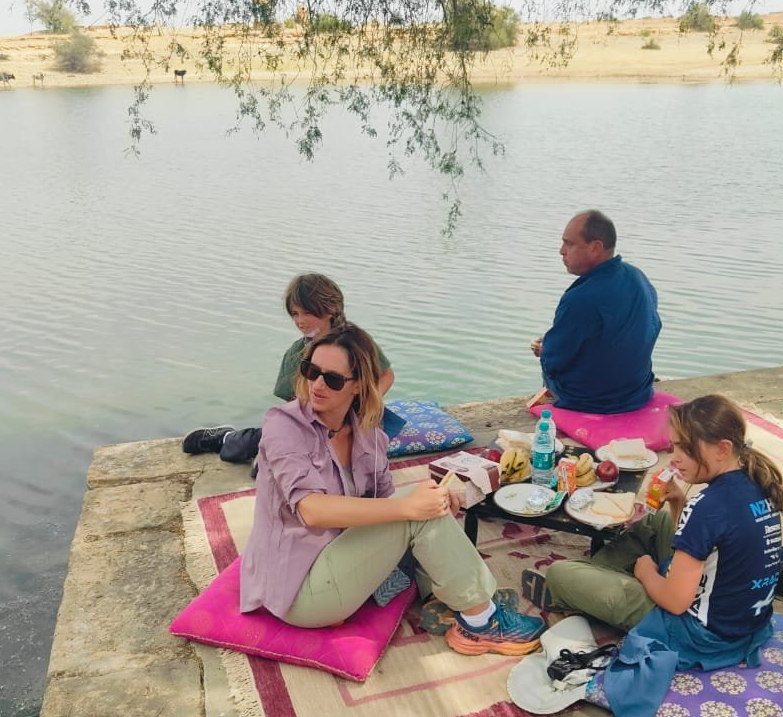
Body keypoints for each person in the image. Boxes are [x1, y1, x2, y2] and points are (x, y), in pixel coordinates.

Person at [240, 322, 546, 656]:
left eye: (332, 379)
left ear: (358, 385)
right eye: (311, 371)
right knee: (413, 509)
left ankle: (457, 600)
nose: (317, 385)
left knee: (426, 502)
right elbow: (311, 510)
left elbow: (386, 504)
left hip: (342, 556)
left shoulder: (367, 430)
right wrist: (409, 507)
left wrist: (431, 499)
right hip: (299, 589)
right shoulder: (284, 426)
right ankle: (480, 622)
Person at [522, 395, 783, 717]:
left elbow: (676, 603)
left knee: (561, 574)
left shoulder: (708, 507)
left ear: (722, 449)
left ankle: (583, 588)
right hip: (741, 621)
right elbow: (707, 548)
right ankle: (595, 583)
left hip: (698, 634)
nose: (674, 457)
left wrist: (646, 573)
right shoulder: (757, 480)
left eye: (685, 449)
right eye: (674, 446)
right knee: (657, 523)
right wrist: (677, 500)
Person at [182, 272, 394, 462]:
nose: (300, 321)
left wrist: (364, 406)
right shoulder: (296, 354)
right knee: (244, 454)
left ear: (331, 309)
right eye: (295, 314)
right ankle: (227, 437)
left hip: (351, 421)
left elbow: (386, 375)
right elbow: (290, 403)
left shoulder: (356, 345)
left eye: (307, 313)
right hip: (310, 425)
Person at [530, 209, 660, 413]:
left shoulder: (580, 298)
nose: (561, 251)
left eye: (569, 244)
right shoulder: (638, 277)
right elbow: (651, 327)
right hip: (637, 390)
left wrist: (544, 350)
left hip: (594, 402)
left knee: (551, 366)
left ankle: (556, 408)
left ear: (595, 248)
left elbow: (555, 361)